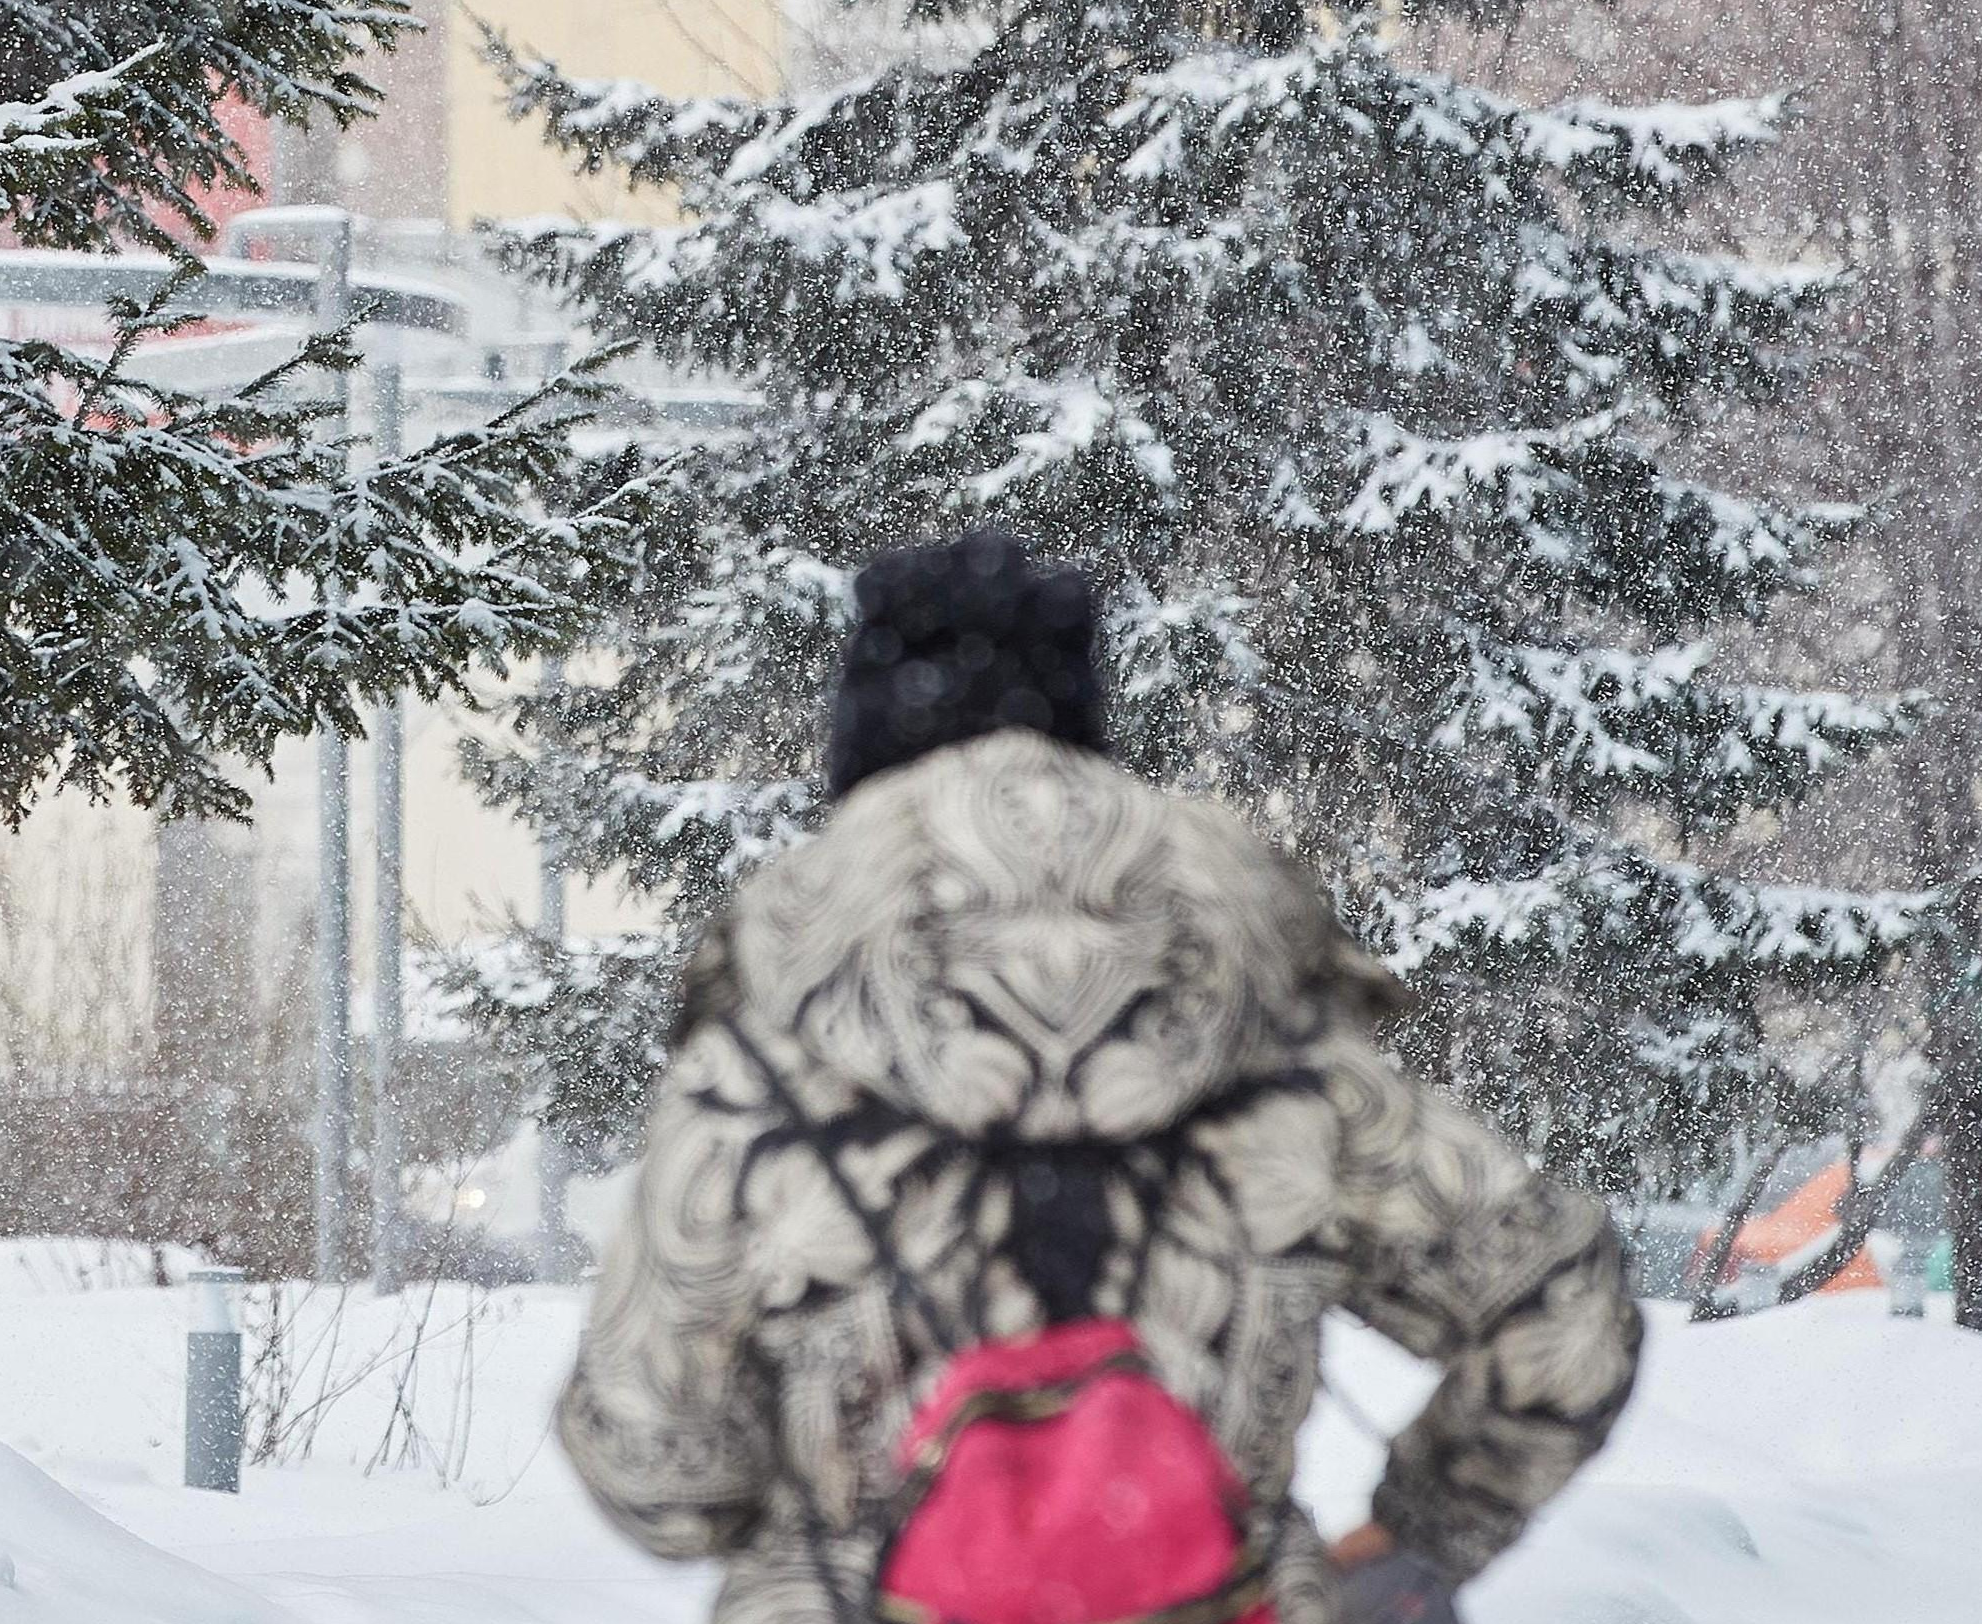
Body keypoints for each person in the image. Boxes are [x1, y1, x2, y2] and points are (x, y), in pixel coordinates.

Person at [559, 529, 1641, 1624]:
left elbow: (655, 1461)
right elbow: (1560, 1307)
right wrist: (1421, 1537)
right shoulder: (1266, 1022)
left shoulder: (764, 1045)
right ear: (1083, 726)